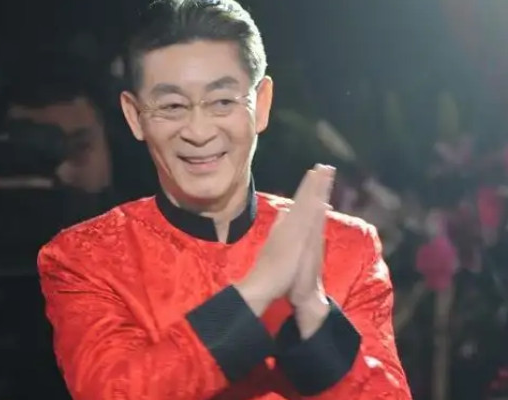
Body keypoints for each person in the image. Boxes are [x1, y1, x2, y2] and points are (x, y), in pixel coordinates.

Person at [37, 1, 411, 399]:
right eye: (172, 106)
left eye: (222, 102)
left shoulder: (345, 247)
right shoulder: (86, 258)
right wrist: (258, 291)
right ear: (134, 116)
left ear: (261, 104)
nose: (198, 132)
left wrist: (312, 309)